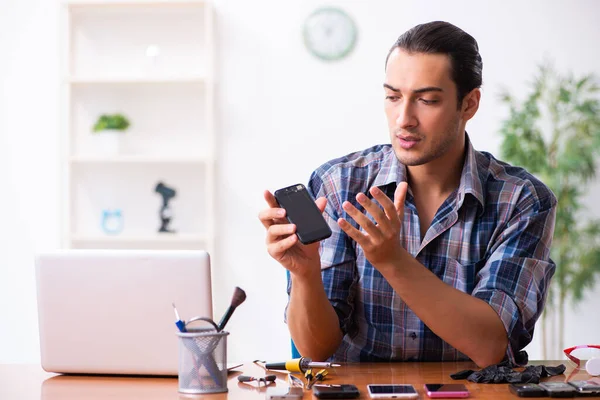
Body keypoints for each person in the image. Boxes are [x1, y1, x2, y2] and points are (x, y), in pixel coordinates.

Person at [258, 21, 556, 368]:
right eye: (393, 96)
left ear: (469, 104)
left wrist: (391, 259)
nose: (404, 119)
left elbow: (490, 345)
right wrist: (305, 275)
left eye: (427, 100)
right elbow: (316, 350)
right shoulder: (339, 184)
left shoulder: (521, 199)